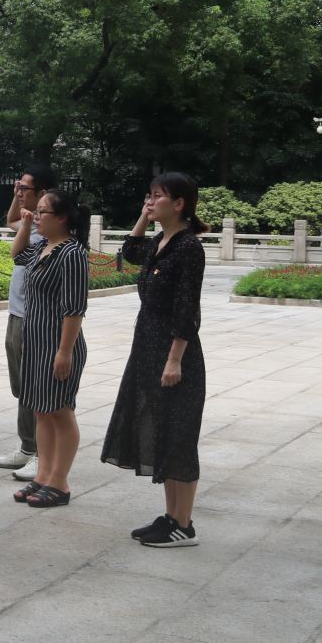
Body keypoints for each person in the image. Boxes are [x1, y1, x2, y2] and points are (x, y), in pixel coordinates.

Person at [102, 172, 208, 547]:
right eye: (149, 195)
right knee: (164, 434)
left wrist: (174, 360)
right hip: (147, 348)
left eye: (158, 196)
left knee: (179, 437)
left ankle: (184, 524)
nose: (150, 201)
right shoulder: (160, 242)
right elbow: (129, 252)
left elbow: (187, 310)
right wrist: (144, 217)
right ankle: (171, 516)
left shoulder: (188, 247)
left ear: (179, 204)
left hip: (175, 355)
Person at [11, 188, 91, 509]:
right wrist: (25, 224)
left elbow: (74, 308)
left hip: (58, 344)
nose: (37, 216)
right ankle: (43, 475)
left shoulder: (72, 253)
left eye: (42, 212)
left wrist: (64, 352)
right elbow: (17, 255)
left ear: (62, 218)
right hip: (36, 343)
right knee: (41, 410)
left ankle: (60, 482)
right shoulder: (42, 247)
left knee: (60, 410)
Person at [0, 165, 59, 482]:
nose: (20, 192)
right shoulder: (30, 223)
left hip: (37, 319)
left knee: (37, 388)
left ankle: (42, 454)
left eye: (25, 188)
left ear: (43, 193)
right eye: (18, 187)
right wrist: (16, 197)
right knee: (22, 385)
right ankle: (27, 446)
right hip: (17, 313)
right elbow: (10, 221)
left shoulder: (50, 233)